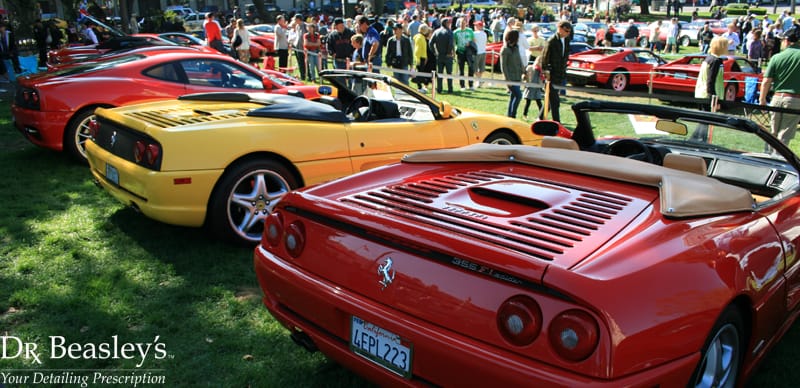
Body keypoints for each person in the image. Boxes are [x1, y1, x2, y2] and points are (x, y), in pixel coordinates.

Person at [759, 26, 800, 147]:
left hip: (776, 98)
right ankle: (777, 162)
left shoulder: (776, 57)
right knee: (784, 136)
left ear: (787, 40)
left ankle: (768, 159)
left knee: (772, 134)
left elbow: (766, 81)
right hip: (795, 100)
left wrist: (762, 100)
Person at [540, 20, 571, 122]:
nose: (567, 33)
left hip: (560, 74)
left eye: (569, 31)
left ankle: (539, 119)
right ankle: (557, 122)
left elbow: (565, 56)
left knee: (549, 101)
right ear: (560, 29)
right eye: (566, 31)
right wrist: (546, 71)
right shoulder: (551, 41)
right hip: (551, 75)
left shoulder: (566, 40)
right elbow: (544, 58)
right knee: (555, 101)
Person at [695, 36, 727, 111]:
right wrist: (713, 98)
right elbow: (710, 80)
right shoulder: (715, 61)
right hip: (708, 96)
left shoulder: (709, 58)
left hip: (702, 93)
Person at [501, 29, 524, 118]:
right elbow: (504, 66)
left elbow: (519, 60)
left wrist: (523, 70)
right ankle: (513, 115)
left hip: (517, 75)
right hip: (510, 77)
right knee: (518, 95)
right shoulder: (505, 50)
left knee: (513, 96)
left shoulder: (516, 47)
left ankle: (509, 115)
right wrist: (507, 79)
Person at [429, 17, 455, 94]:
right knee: (449, 73)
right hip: (448, 56)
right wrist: (449, 52)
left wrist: (434, 52)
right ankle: (450, 89)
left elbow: (430, 43)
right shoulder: (449, 32)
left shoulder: (436, 32)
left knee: (439, 73)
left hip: (439, 55)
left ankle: (439, 89)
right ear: (446, 23)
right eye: (448, 23)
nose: (449, 24)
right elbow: (451, 44)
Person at [453, 16, 475, 90]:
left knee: (471, 68)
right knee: (461, 69)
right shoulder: (456, 32)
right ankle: (462, 85)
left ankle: (471, 85)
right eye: (461, 23)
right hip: (460, 52)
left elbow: (474, 40)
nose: (463, 24)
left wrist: (470, 44)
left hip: (469, 52)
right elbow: (454, 43)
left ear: (466, 23)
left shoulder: (470, 31)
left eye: (464, 23)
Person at [413, 24, 433, 92]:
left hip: (421, 57)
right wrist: (422, 58)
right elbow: (418, 50)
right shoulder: (420, 37)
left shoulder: (420, 37)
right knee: (419, 73)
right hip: (421, 58)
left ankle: (420, 87)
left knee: (420, 72)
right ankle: (419, 87)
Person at [291, 14, 307, 80]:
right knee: (300, 62)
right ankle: (302, 75)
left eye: (295, 19)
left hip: (303, 48)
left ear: (298, 19)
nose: (294, 20)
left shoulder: (305, 26)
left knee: (304, 62)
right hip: (297, 47)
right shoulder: (297, 26)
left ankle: (306, 75)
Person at [473, 20, 488, 87]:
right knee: (481, 68)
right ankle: (479, 81)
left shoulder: (475, 34)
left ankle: (480, 80)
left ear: (479, 26)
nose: (474, 26)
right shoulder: (485, 34)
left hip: (477, 52)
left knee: (474, 68)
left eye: (476, 25)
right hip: (483, 52)